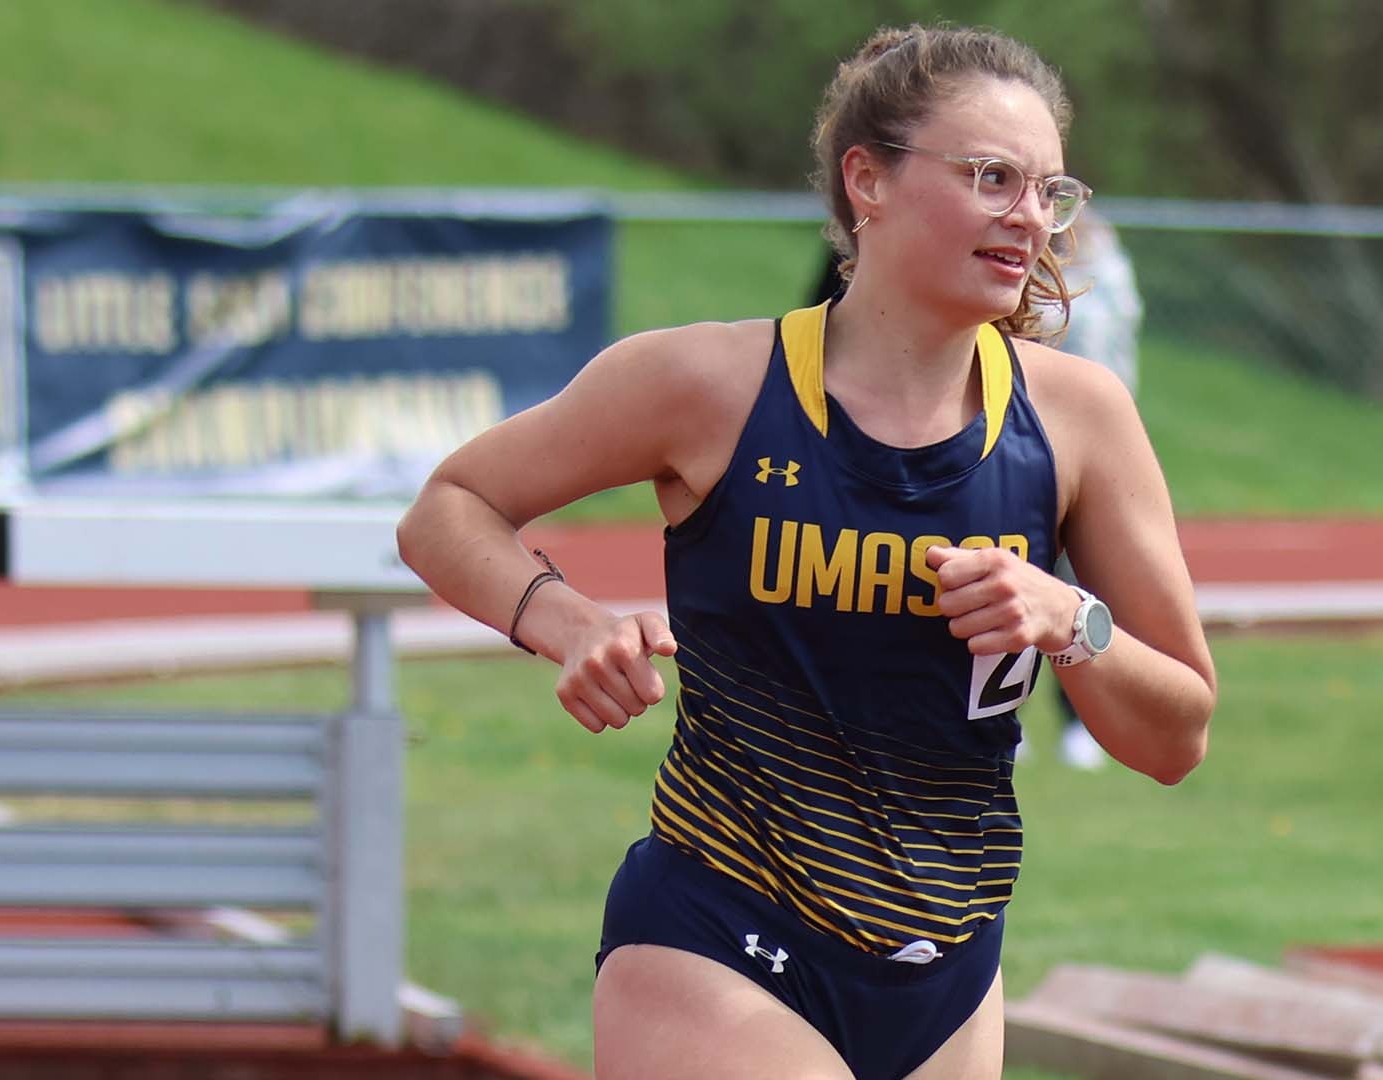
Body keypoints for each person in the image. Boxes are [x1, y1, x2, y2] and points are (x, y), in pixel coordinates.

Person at [396, 24, 1215, 1080]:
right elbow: (448, 507)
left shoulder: (1079, 421)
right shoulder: (708, 386)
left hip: (950, 974)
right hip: (721, 936)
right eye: (991, 177)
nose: (1028, 217)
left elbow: (1177, 736)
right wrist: (570, 624)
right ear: (865, 180)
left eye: (1049, 191)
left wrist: (1071, 621)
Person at [1029, 211, 1143, 770]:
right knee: (1012, 577)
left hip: (1091, 456)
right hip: (1025, 447)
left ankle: (1080, 723)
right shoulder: (1025, 284)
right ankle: (1006, 715)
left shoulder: (1115, 278)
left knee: (1083, 592)